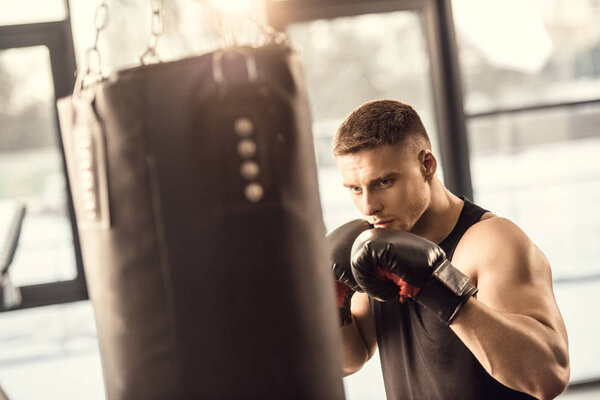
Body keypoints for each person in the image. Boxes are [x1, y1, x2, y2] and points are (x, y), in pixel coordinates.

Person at [327, 99, 570, 400]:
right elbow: (350, 359)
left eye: (385, 181)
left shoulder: (491, 242)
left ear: (426, 164)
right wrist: (331, 301)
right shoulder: (375, 250)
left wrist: (441, 288)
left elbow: (548, 377)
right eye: (355, 188)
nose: (368, 206)